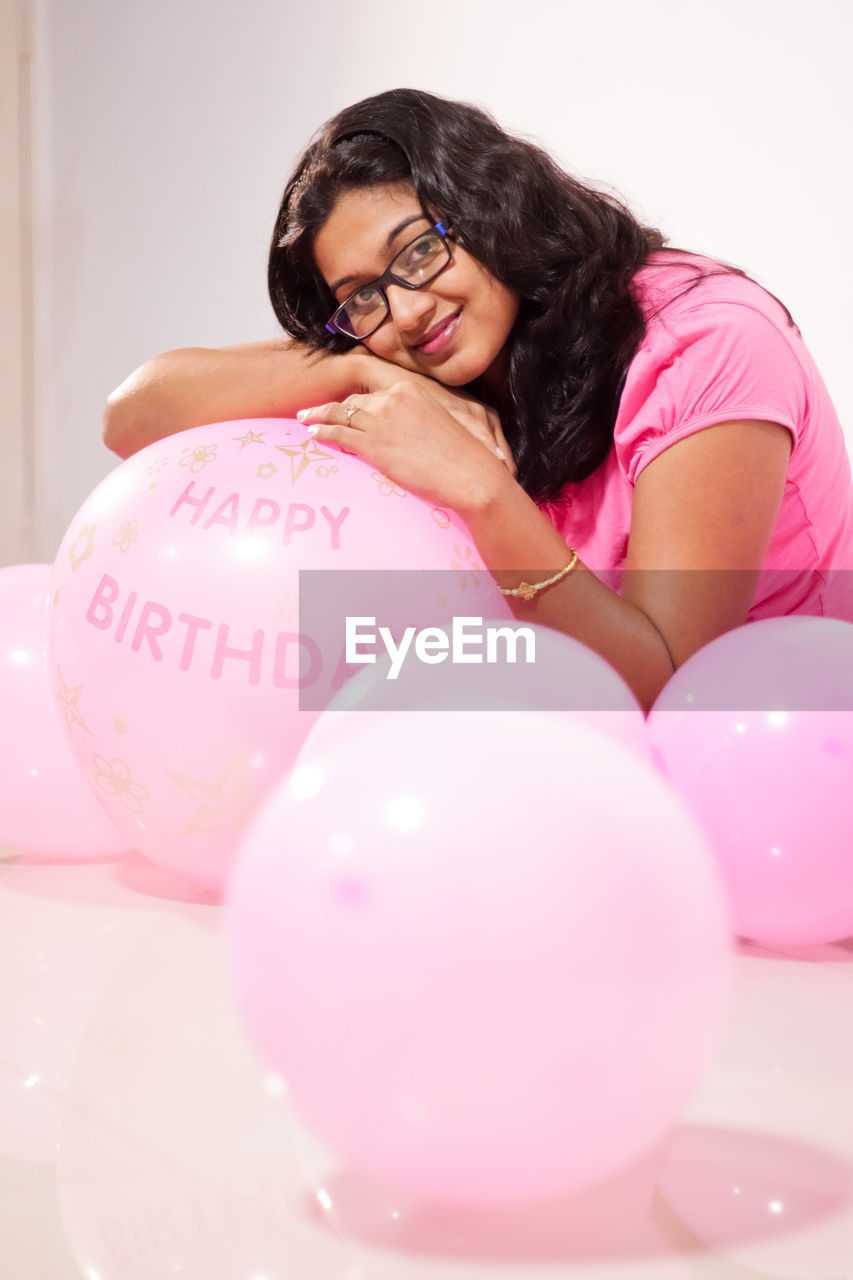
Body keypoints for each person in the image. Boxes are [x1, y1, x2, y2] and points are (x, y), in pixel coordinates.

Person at [103, 88, 853, 713]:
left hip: (777, 759)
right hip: (570, 756)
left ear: (494, 207)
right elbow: (131, 414)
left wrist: (483, 491)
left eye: (419, 251)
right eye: (360, 296)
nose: (406, 312)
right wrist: (364, 376)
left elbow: (670, 687)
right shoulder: (424, 355)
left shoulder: (704, 340)